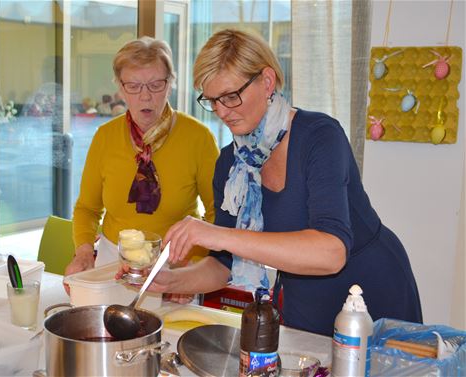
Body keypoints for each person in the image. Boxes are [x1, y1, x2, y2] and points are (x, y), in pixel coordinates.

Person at [147, 29, 423, 337]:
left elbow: (331, 251)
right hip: (304, 298)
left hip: (372, 293)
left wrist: (220, 235)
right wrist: (169, 280)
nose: (222, 111)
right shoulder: (231, 163)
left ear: (267, 81)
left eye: (231, 96)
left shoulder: (320, 136)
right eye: (212, 100)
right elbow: (222, 266)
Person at [64, 36, 220, 299]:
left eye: (156, 84)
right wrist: (83, 252)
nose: (145, 96)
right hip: (113, 263)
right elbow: (87, 209)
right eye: (134, 86)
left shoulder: (198, 137)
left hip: (176, 264)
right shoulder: (105, 136)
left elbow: (217, 215)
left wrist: (194, 267)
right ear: (121, 89)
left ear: (171, 83)